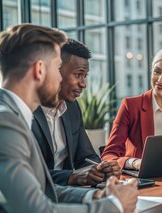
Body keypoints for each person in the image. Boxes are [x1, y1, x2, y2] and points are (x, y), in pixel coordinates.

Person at [0, 23, 138, 213]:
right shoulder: (1, 123)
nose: (59, 79)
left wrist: (95, 197)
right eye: (56, 68)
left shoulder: (9, 115)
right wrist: (114, 205)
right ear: (40, 70)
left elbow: (40, 190)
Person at [32, 39, 121, 186]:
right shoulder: (25, 111)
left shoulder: (72, 108)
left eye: (85, 76)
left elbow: (86, 157)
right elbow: (28, 173)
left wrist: (101, 169)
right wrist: (71, 177)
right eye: (78, 75)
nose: (83, 84)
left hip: (69, 194)